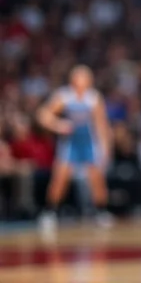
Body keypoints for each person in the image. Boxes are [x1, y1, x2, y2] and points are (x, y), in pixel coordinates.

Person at [37, 65, 113, 230]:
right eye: (81, 77)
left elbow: (101, 125)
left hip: (88, 142)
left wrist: (105, 147)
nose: (84, 80)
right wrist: (58, 125)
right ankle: (50, 211)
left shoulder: (93, 98)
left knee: (97, 178)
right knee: (60, 177)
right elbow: (43, 115)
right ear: (73, 79)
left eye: (86, 77)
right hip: (70, 142)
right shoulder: (64, 96)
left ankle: (101, 211)